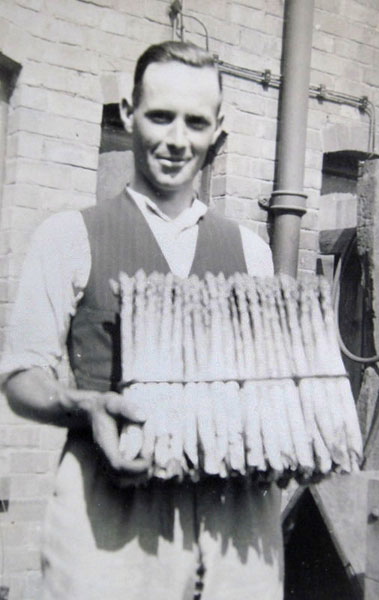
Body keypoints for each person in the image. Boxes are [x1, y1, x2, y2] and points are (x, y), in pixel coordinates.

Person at [1, 41, 283, 599]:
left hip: (234, 527)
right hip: (109, 521)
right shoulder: (69, 237)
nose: (177, 140)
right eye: (160, 116)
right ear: (129, 113)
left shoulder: (252, 253)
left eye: (195, 122)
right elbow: (19, 377)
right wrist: (86, 405)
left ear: (218, 131)